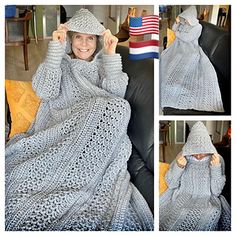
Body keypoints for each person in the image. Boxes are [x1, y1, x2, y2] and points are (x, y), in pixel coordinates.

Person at [5, 9, 154, 231]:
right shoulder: (60, 64)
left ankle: (82, 176)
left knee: (120, 106)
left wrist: (112, 54)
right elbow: (45, 91)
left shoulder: (105, 63)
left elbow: (116, 96)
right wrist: (55, 50)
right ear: (70, 39)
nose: (84, 44)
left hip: (94, 130)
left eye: (90, 38)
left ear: (97, 41)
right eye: (78, 37)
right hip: (62, 125)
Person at [159, 121, 231, 231]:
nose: (198, 155)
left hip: (206, 200)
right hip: (182, 197)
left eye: (202, 151)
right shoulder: (182, 157)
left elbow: (216, 192)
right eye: (194, 151)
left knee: (212, 212)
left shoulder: (216, 160)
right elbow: (171, 184)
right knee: (173, 214)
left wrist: (215, 168)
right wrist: (179, 167)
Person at [160, 6, 224, 113]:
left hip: (190, 49)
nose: (185, 20)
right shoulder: (183, 23)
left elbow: (187, 38)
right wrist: (177, 22)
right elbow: (174, 29)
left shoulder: (197, 27)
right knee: (165, 58)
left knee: (182, 64)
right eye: (183, 18)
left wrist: (177, 34)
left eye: (186, 18)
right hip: (177, 46)